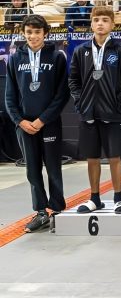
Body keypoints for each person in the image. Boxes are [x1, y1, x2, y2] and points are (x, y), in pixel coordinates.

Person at [68, 6, 121, 214]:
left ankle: (118, 198)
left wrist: (118, 103)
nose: (100, 23)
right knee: (92, 158)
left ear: (112, 24)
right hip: (88, 113)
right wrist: (80, 102)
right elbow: (73, 80)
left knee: (115, 157)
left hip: (111, 113)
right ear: (91, 23)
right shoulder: (81, 51)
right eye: (96, 19)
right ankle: (94, 198)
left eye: (105, 20)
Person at [5, 15, 70, 232]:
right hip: (24, 125)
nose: (33, 36)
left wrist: (42, 120)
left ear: (45, 33)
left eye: (37, 32)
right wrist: (20, 120)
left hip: (48, 123)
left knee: (53, 168)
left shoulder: (57, 57)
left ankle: (58, 210)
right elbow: (10, 96)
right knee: (32, 171)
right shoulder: (14, 59)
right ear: (23, 33)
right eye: (29, 32)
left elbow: (62, 94)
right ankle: (41, 212)